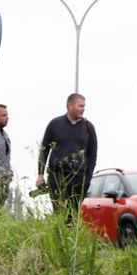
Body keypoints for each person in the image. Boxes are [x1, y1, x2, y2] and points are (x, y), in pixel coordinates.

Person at [37, 93, 96, 223]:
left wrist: (88, 178)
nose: (83, 109)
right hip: (57, 176)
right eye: (80, 106)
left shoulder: (88, 127)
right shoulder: (55, 124)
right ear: (70, 106)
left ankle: (71, 242)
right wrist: (40, 174)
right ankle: (58, 240)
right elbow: (44, 149)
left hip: (78, 177)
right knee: (59, 213)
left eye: (84, 106)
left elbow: (92, 155)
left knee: (73, 215)